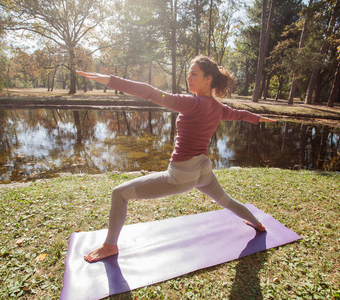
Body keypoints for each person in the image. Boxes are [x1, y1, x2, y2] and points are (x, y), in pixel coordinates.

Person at [76, 55, 276, 263]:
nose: (188, 78)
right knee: (225, 200)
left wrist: (110, 80)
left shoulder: (192, 103)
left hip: (182, 175)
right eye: (188, 74)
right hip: (203, 171)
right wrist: (258, 118)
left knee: (119, 194)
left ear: (208, 79)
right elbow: (239, 114)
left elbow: (151, 93)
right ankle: (257, 224)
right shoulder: (218, 108)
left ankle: (110, 246)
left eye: (194, 74)